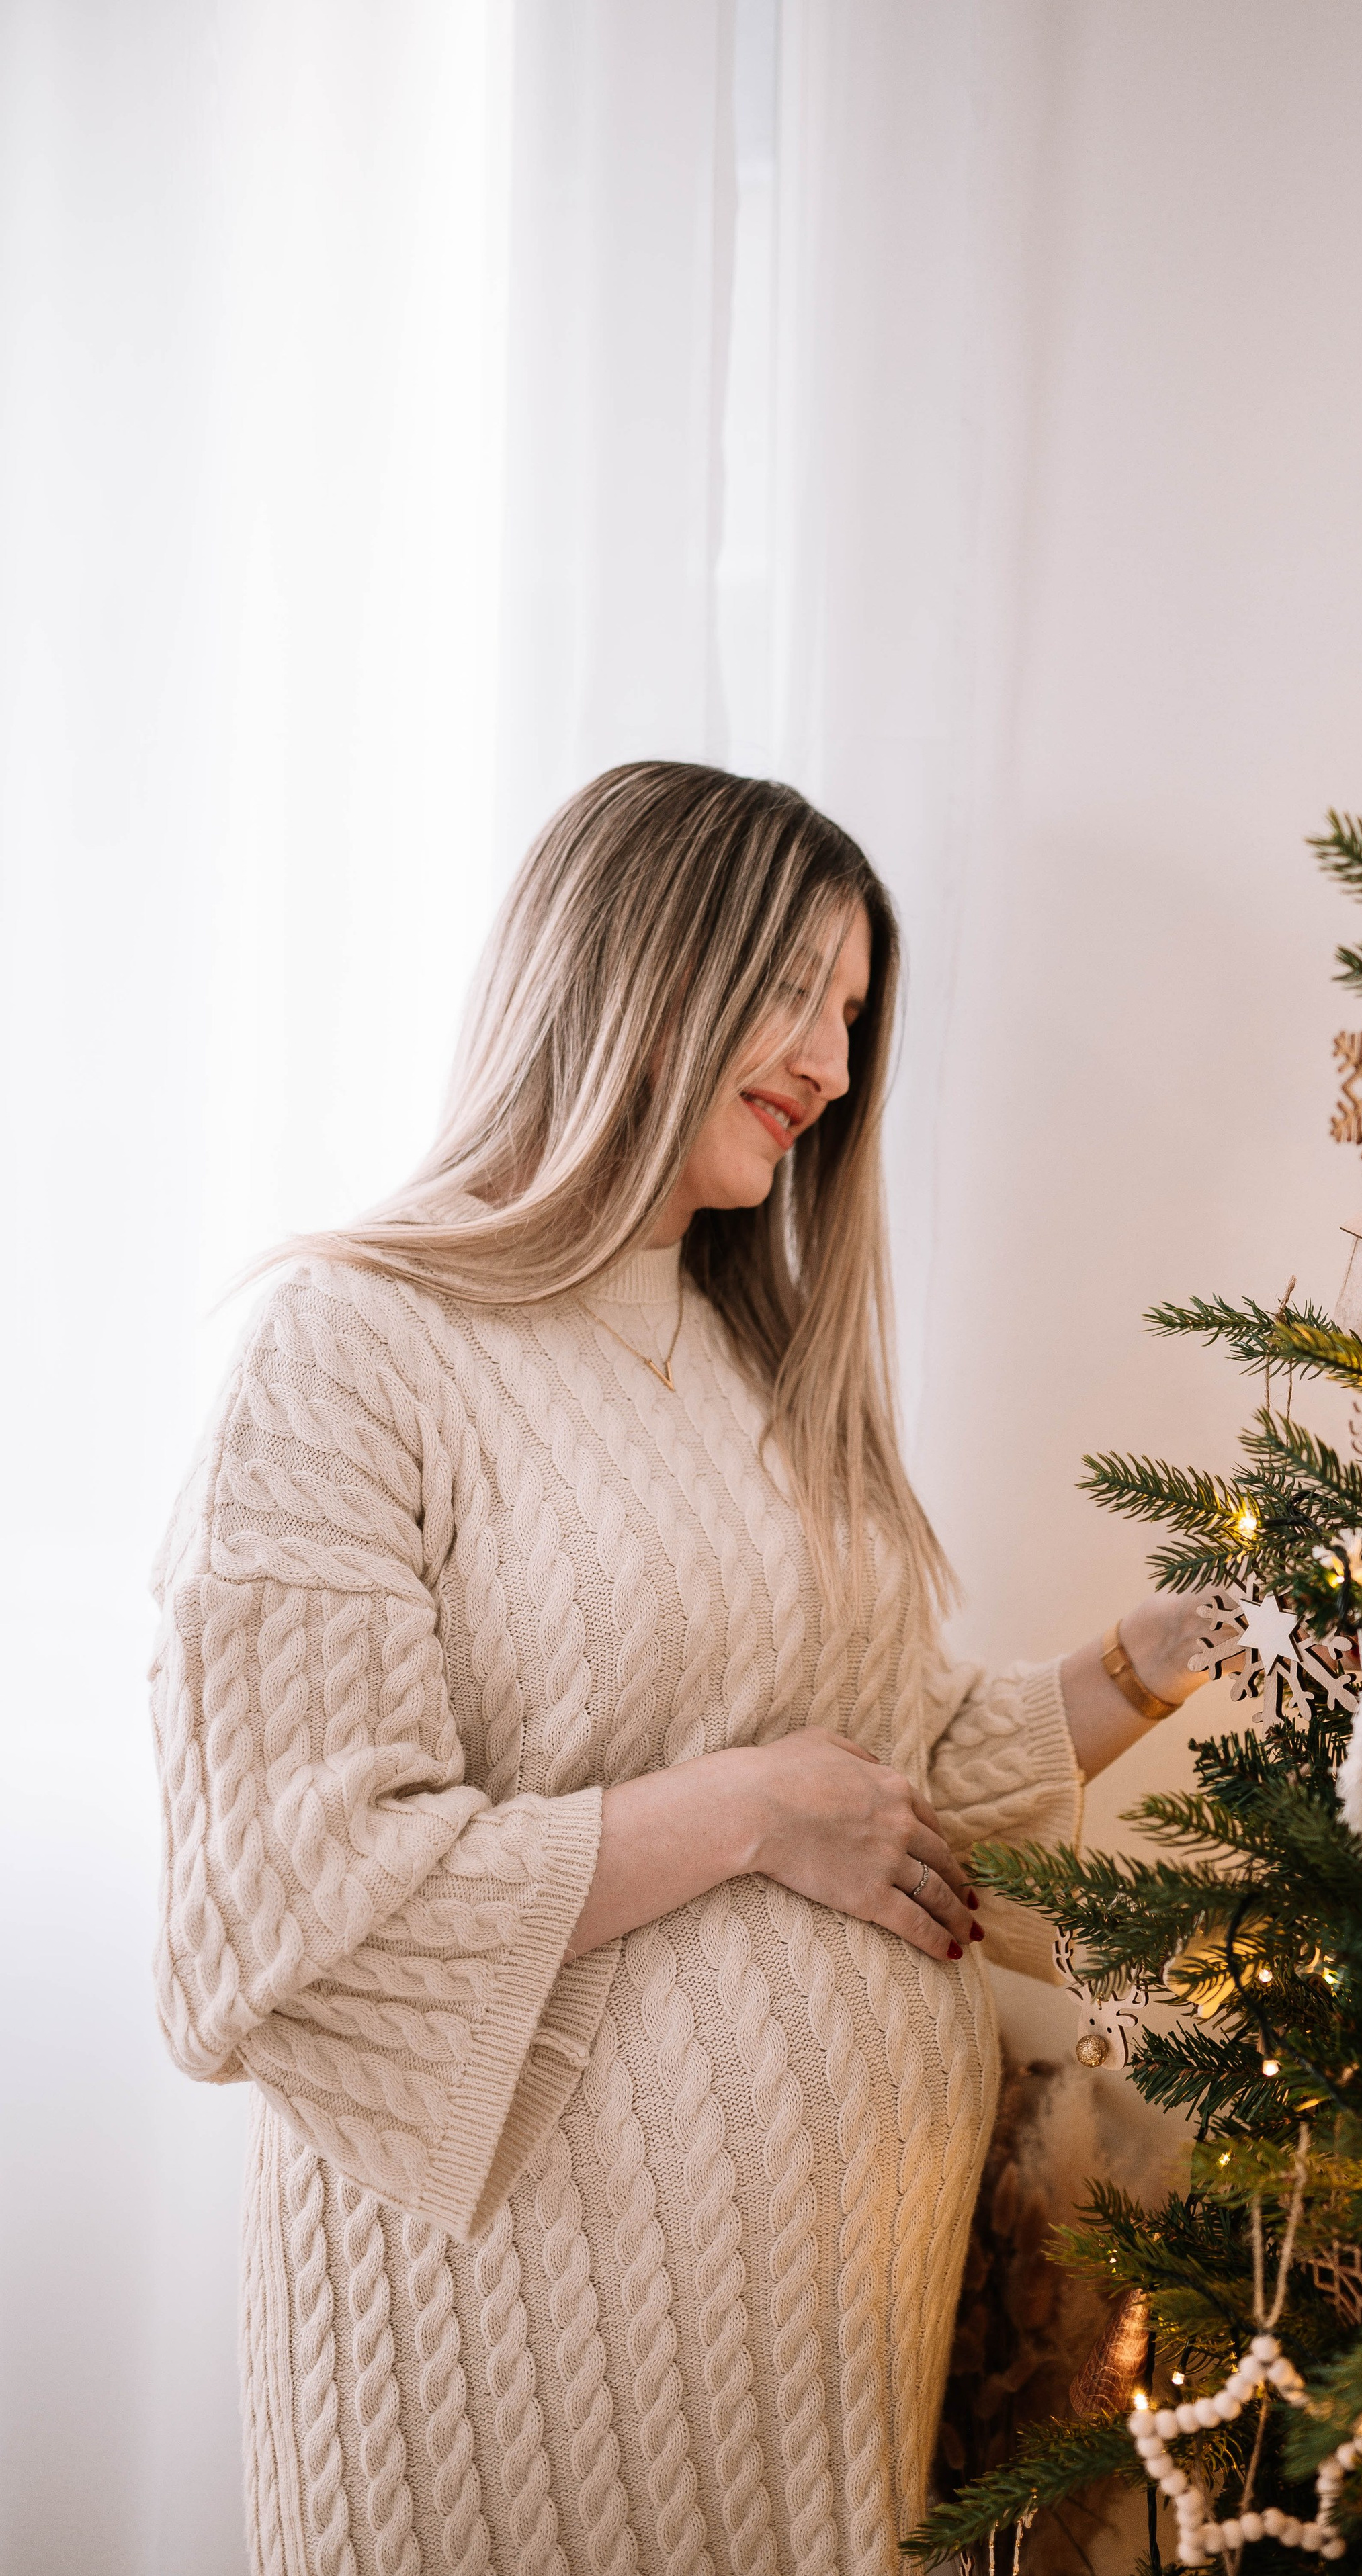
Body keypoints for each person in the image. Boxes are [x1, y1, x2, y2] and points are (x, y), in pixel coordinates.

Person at [151, 761, 1207, 2576]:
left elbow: (903, 1781)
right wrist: (736, 1814)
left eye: (856, 1014)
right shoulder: (359, 1348)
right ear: (636, 962)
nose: (830, 1058)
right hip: (499, 2343)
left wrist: (1168, 1654)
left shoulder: (763, 1369)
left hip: (814, 2348)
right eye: (792, 988)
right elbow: (285, 1896)